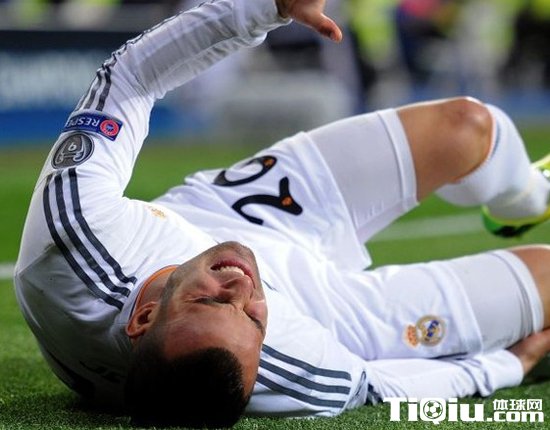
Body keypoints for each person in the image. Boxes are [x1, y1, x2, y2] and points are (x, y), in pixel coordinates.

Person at [13, 0, 550, 427]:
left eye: (211, 299)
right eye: (250, 317)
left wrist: (265, 7)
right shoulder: (283, 367)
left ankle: (528, 198)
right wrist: (504, 366)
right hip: (325, 310)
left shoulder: (75, 233)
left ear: (144, 316)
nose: (243, 288)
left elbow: (129, 77)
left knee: (469, 125)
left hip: (226, 217)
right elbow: (377, 386)